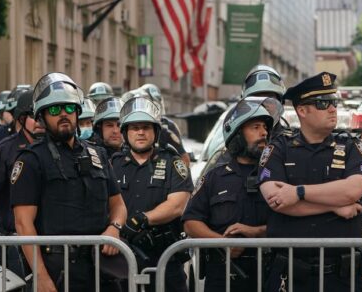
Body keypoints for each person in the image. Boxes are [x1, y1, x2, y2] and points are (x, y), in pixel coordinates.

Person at [259, 72, 362, 292]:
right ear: (302, 110)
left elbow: (352, 190)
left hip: (343, 277)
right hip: (290, 275)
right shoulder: (278, 148)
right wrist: (335, 204)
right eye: (323, 103)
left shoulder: (351, 146)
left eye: (333, 102)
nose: (332, 109)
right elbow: (276, 200)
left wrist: (299, 192)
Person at [11, 73, 127, 292]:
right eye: (54, 110)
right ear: (42, 116)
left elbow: (118, 205)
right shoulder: (32, 160)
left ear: (78, 112)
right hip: (58, 268)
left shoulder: (98, 154)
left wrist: (114, 228)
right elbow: (23, 224)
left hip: (103, 268)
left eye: (69, 108)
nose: (63, 114)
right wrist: (41, 277)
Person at [183, 97, 281, 292]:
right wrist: (222, 244)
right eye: (255, 127)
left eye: (265, 127)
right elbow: (190, 222)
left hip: (270, 274)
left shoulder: (278, 174)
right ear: (236, 134)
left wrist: (255, 232)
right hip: (223, 276)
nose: (264, 133)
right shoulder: (214, 177)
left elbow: (292, 223)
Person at [113, 96, 193, 292]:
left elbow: (177, 205)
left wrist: (141, 219)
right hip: (122, 260)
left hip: (165, 260)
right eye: (134, 127)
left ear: (156, 132)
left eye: (146, 127)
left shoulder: (173, 162)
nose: (140, 132)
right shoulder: (112, 164)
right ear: (125, 132)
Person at [0, 89, 44, 278]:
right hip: (14, 240)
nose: (39, 121)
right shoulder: (4, 150)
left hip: (50, 239)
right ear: (21, 118)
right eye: (33, 115)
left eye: (42, 114)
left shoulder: (56, 148)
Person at [203, 65, 288, 176]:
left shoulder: (291, 145)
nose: (263, 105)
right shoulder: (231, 149)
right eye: (256, 99)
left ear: (281, 103)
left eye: (270, 99)